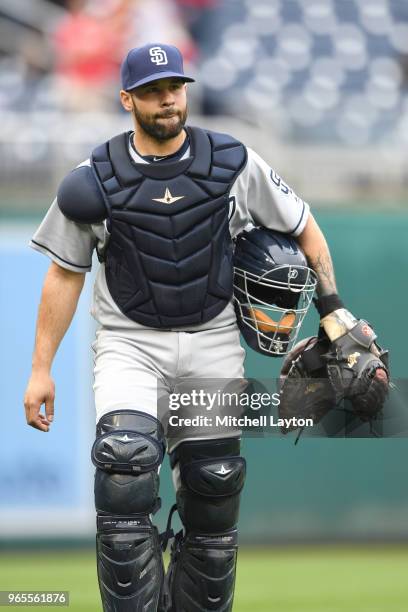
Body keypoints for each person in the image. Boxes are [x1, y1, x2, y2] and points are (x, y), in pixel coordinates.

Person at [23, 42, 362, 612]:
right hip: (130, 344)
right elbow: (64, 274)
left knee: (214, 484)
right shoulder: (94, 177)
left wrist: (332, 308)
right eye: (153, 91)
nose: (167, 100)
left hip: (212, 341)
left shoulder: (233, 161)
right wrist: (40, 369)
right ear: (127, 98)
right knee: (124, 465)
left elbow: (306, 227)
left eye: (175, 88)